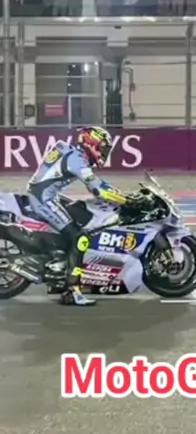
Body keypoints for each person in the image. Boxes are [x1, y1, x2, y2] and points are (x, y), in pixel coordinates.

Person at [26, 126, 130, 306]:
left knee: (79, 216)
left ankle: (60, 260)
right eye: (103, 148)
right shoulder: (77, 158)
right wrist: (126, 200)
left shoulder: (74, 153)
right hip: (42, 198)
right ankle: (71, 291)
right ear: (92, 143)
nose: (104, 153)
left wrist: (118, 194)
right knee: (79, 238)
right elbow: (97, 188)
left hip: (46, 194)